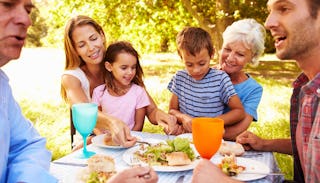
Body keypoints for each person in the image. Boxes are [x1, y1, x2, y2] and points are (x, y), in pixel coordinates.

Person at [194, 0, 320, 182]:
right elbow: (309, 147)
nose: (268, 23)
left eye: (284, 8)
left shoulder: (255, 89)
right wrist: (265, 143)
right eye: (227, 49)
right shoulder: (303, 89)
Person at [61, 15, 178, 150]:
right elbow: (84, 113)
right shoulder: (71, 77)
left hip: (125, 140)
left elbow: (150, 109)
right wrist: (112, 124)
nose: (91, 47)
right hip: (90, 140)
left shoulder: (119, 63)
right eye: (82, 45)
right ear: (74, 50)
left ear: (102, 36)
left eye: (93, 38)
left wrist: (161, 116)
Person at [0, 0, 57, 182]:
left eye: (28, 9)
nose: (27, 20)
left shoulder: (2, 88)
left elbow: (27, 145)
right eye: (7, 4)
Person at [167, 26, 245, 133]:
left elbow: (239, 112)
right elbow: (171, 111)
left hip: (209, 136)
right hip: (184, 137)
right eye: (189, 64)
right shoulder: (180, 78)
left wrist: (211, 123)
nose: (196, 70)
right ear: (181, 57)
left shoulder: (220, 79)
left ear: (211, 54)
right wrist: (183, 117)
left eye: (202, 63)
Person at [218, 19, 266, 140]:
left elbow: (238, 129)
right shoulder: (203, 74)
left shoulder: (253, 89)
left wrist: (202, 132)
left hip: (225, 146)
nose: (230, 58)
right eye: (227, 49)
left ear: (252, 57)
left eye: (240, 54)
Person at [92, 41, 150, 131]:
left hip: (131, 141)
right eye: (124, 68)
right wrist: (103, 139)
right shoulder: (99, 92)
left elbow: (138, 126)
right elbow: (95, 122)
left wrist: (126, 141)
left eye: (133, 67)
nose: (130, 72)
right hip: (104, 142)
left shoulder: (139, 92)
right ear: (109, 66)